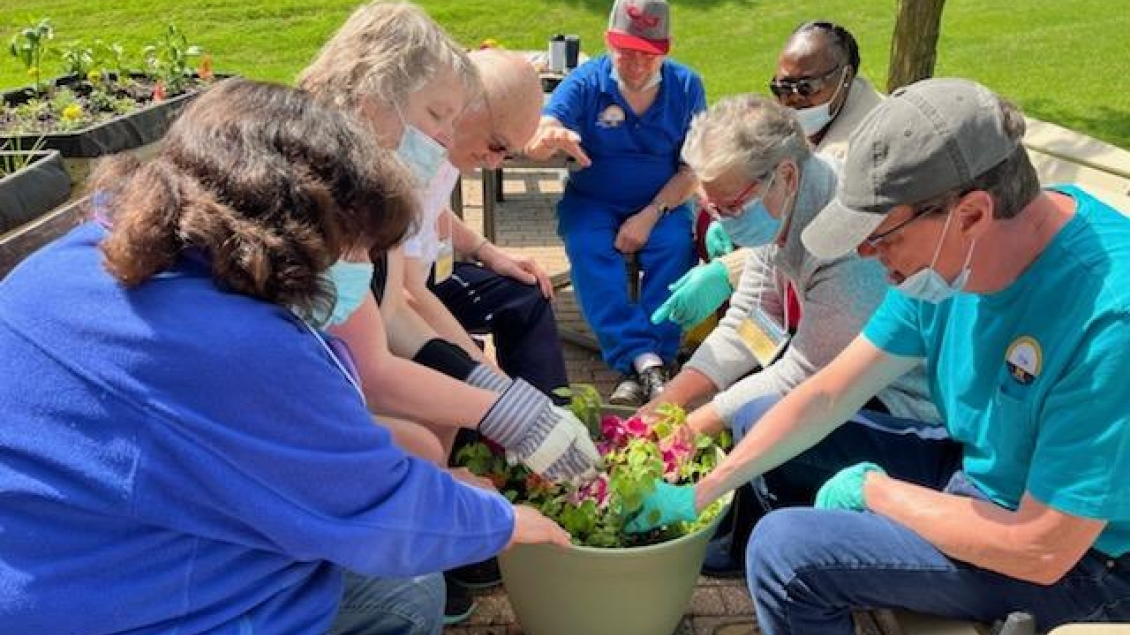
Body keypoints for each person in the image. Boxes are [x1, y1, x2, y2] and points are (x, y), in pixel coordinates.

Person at [0, 78, 573, 635]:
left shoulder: (78, 255)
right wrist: (501, 522)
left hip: (61, 566)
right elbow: (372, 509)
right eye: (350, 243)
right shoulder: (243, 347)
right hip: (125, 604)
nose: (355, 265)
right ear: (292, 227)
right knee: (404, 595)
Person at [629, 78, 1130, 633]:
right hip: (985, 474)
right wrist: (701, 490)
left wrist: (878, 493)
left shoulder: (1108, 320)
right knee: (765, 422)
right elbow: (824, 392)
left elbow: (1041, 548)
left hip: (1089, 564)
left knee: (785, 553)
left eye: (882, 236)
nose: (869, 255)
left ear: (970, 215)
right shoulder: (946, 261)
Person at [297, 3, 598, 621]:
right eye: (436, 115)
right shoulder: (318, 195)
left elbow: (382, 331)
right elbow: (375, 361)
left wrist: (495, 394)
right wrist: (506, 413)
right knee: (417, 489)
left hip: (301, 407)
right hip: (274, 428)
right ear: (367, 90)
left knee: (422, 445)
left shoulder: (364, 193)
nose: (439, 140)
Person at [648, 94, 942, 576]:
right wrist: (662, 409)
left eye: (731, 205)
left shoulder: (848, 236)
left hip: (912, 415)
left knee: (757, 415)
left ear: (784, 175)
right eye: (710, 206)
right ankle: (748, 535)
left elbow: (806, 372)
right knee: (748, 408)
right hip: (844, 378)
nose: (722, 220)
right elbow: (753, 323)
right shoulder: (782, 209)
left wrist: (689, 428)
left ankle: (782, 536)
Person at [525, 0, 706, 407]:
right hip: (593, 199)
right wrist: (548, 138)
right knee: (590, 251)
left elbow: (692, 169)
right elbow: (544, 127)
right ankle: (645, 361)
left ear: (666, 49)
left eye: (648, 54)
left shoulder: (687, 86)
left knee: (675, 249)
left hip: (663, 201)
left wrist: (650, 213)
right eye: (625, 52)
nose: (636, 64)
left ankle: (644, 362)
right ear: (608, 43)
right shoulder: (587, 82)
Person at [658, 20, 882, 332]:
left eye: (806, 88)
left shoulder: (868, 148)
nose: (791, 101)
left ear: (844, 77)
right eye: (781, 88)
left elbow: (809, 227)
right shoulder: (805, 122)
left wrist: (726, 271)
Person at [409, 48, 570, 399]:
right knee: (465, 365)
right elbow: (404, 297)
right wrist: (496, 386)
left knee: (529, 294)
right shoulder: (413, 158)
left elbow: (434, 211)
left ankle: (556, 417)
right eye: (497, 146)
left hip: (428, 276)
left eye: (508, 154)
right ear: (467, 107)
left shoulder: (454, 145)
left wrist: (489, 252)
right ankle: (515, 429)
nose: (495, 165)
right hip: (402, 300)